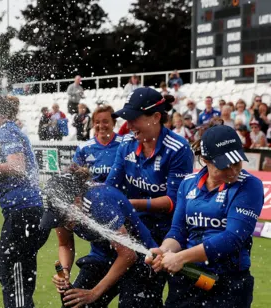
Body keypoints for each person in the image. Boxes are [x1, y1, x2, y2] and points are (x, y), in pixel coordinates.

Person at [146, 125, 262, 308]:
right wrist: (165, 250)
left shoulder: (250, 185)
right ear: (205, 160)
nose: (233, 171)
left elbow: (233, 238)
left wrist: (181, 257)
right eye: (224, 165)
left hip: (229, 284)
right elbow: (178, 231)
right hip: (189, 278)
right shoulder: (188, 184)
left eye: (237, 162)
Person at [106, 87, 194, 303]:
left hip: (168, 236)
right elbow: (111, 187)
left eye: (134, 118)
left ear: (155, 117)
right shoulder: (126, 144)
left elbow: (173, 202)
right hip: (132, 230)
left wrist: (128, 204)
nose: (129, 125)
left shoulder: (178, 148)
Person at [41, 166, 161, 308]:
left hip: (142, 259)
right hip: (103, 257)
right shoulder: (61, 208)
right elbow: (65, 244)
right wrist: (65, 272)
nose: (64, 224)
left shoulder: (99, 202)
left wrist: (94, 293)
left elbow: (128, 255)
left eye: (64, 218)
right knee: (72, 303)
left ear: (77, 200)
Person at [0, 95, 49, 308]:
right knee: (17, 276)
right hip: (27, 212)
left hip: (23, 213)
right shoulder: (9, 130)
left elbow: (17, 167)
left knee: (14, 277)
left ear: (1, 115)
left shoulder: (6, 131)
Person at [72, 105, 122, 183]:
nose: (101, 126)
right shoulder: (84, 148)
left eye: (105, 122)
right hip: (92, 194)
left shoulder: (125, 145)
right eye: (97, 122)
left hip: (119, 194)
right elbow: (74, 178)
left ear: (114, 123)